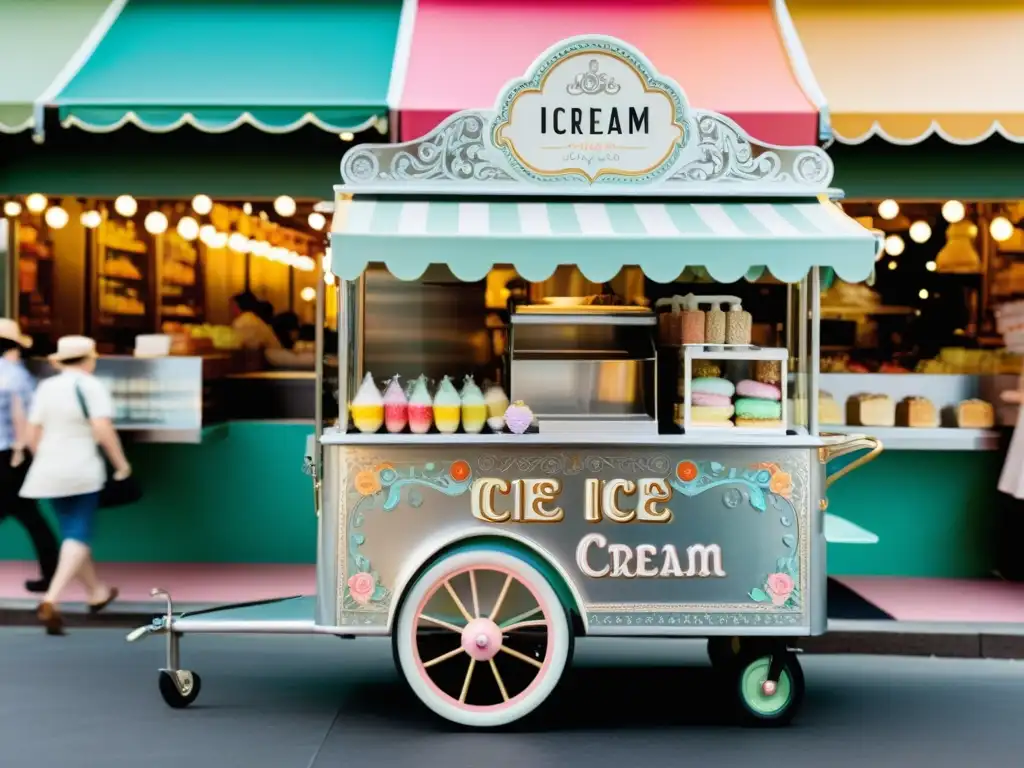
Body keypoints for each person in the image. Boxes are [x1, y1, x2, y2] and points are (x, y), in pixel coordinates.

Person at [20, 335, 129, 635]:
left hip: (48, 470)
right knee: (78, 534)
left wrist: (45, 457)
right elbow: (103, 429)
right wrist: (121, 465)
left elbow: (31, 433)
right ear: (90, 359)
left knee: (71, 535)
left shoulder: (46, 387)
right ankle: (51, 599)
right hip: (81, 467)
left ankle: (97, 593)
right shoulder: (91, 386)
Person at [0, 319, 58, 593]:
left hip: (8, 455)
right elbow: (27, 420)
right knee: (31, 516)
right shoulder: (17, 376)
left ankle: (54, 572)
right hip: (13, 456)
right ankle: (53, 571)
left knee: (30, 516)